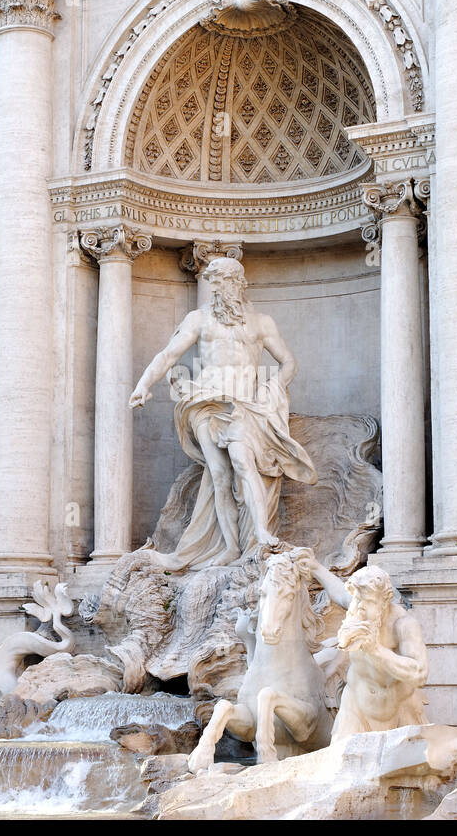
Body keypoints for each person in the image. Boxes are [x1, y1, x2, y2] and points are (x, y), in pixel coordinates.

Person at [130, 258, 316, 570]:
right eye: (213, 282)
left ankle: (261, 534)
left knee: (244, 463)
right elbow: (168, 354)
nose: (216, 288)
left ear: (238, 283)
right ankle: (230, 547)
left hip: (243, 404)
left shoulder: (261, 323)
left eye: (222, 281)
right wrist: (143, 384)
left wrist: (271, 390)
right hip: (204, 402)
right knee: (218, 474)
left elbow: (288, 362)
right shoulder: (199, 319)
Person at [299, 552, 429, 740]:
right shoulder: (357, 606)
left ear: (385, 601)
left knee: (412, 768)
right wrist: (315, 567)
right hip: (356, 707)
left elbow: (419, 674)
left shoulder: (403, 625)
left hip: (400, 709)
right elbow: (337, 590)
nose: (359, 606)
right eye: (357, 599)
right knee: (341, 764)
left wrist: (375, 649)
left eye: (367, 601)